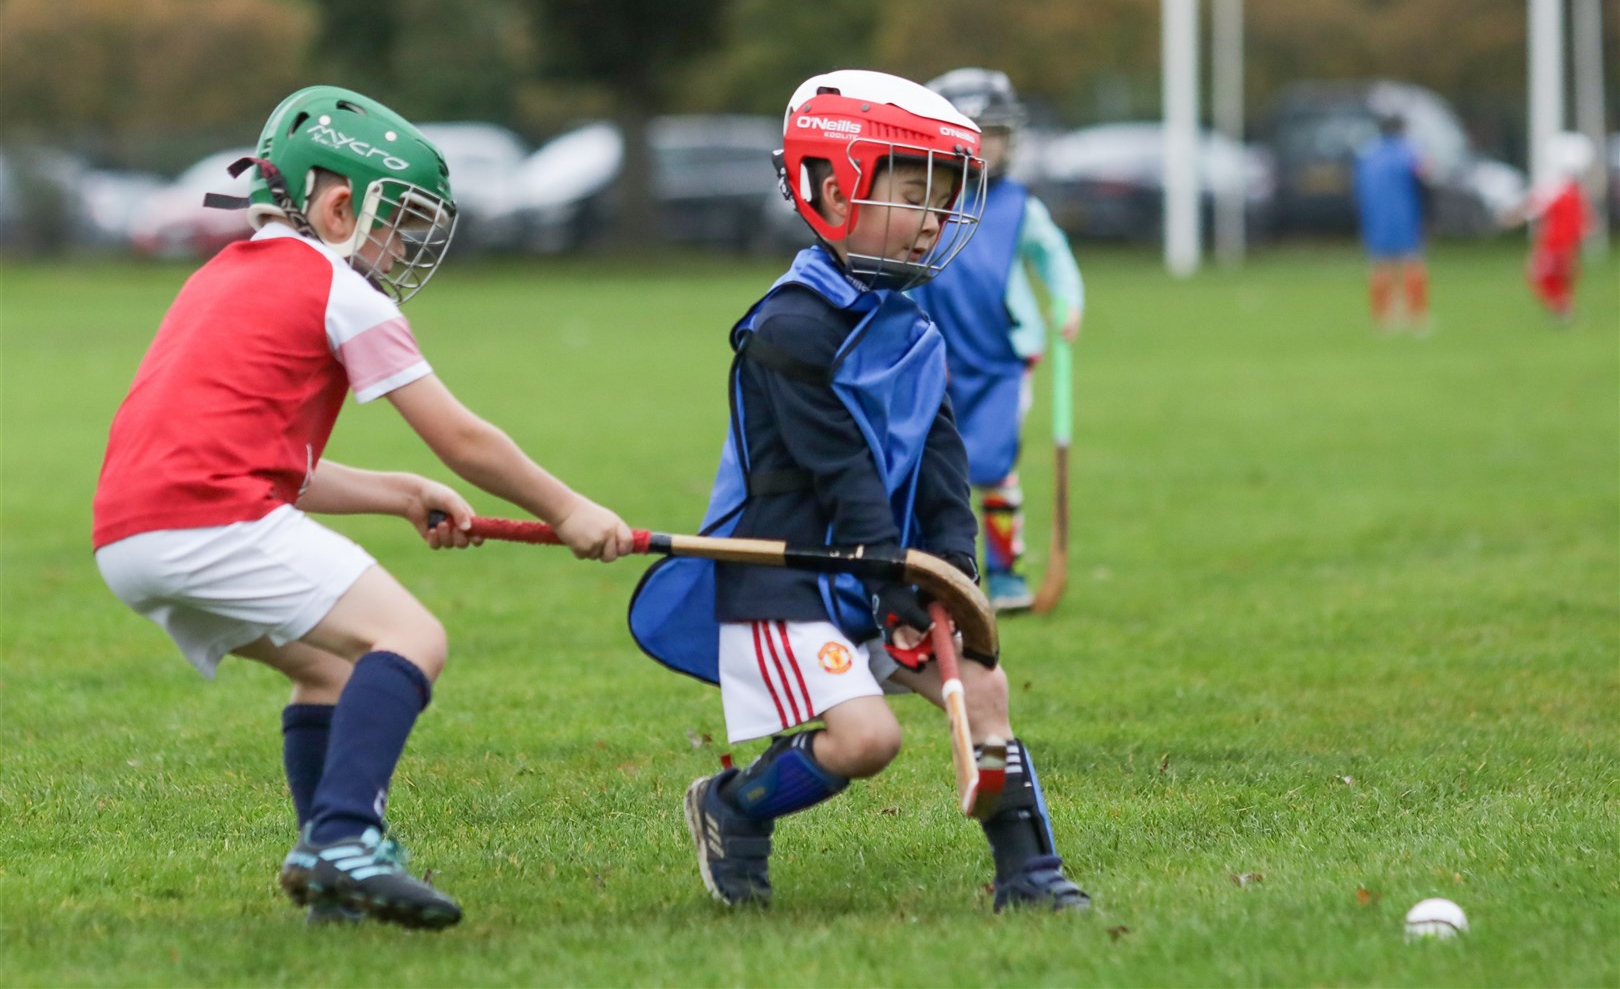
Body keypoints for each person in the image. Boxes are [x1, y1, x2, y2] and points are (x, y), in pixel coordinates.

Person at [91, 85, 634, 930]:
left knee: (329, 670)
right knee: (413, 639)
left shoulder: (220, 278)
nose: (399, 250)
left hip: (130, 536)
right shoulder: (339, 289)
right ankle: (344, 838)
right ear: (339, 204)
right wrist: (570, 510)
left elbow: (275, 464)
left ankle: (332, 884)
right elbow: (463, 439)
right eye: (396, 225)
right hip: (208, 519)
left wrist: (396, 494)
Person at [628, 70, 1089, 914]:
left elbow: (944, 462)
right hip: (789, 577)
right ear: (835, 190)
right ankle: (733, 808)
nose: (934, 221)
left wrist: (951, 571)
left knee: (983, 686)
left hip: (881, 566)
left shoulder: (909, 321)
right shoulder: (790, 328)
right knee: (867, 739)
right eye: (914, 194)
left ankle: (1032, 878)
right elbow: (842, 478)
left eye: (944, 199)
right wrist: (895, 589)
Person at [915, 68, 1084, 613]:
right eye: (979, 131)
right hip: (933, 357)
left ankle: (1007, 573)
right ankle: (936, 571)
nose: (992, 144)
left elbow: (1052, 255)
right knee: (931, 468)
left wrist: (1067, 300)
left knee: (993, 465)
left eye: (999, 132)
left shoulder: (1017, 206)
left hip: (1003, 361)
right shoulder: (923, 200)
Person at [1353, 112, 1431, 333]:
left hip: (1375, 218)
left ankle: (1382, 316)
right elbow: (1425, 178)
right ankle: (1416, 314)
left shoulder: (1368, 154)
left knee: (1380, 264)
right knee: (1412, 261)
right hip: (1405, 215)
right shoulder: (1410, 152)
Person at [1509, 131, 1594, 324]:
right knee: (1557, 276)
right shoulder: (1571, 190)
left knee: (1543, 275)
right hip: (1563, 241)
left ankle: (1562, 309)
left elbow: (1534, 207)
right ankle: (1562, 309)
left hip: (1556, 242)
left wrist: (1514, 217)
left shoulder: (1561, 190)